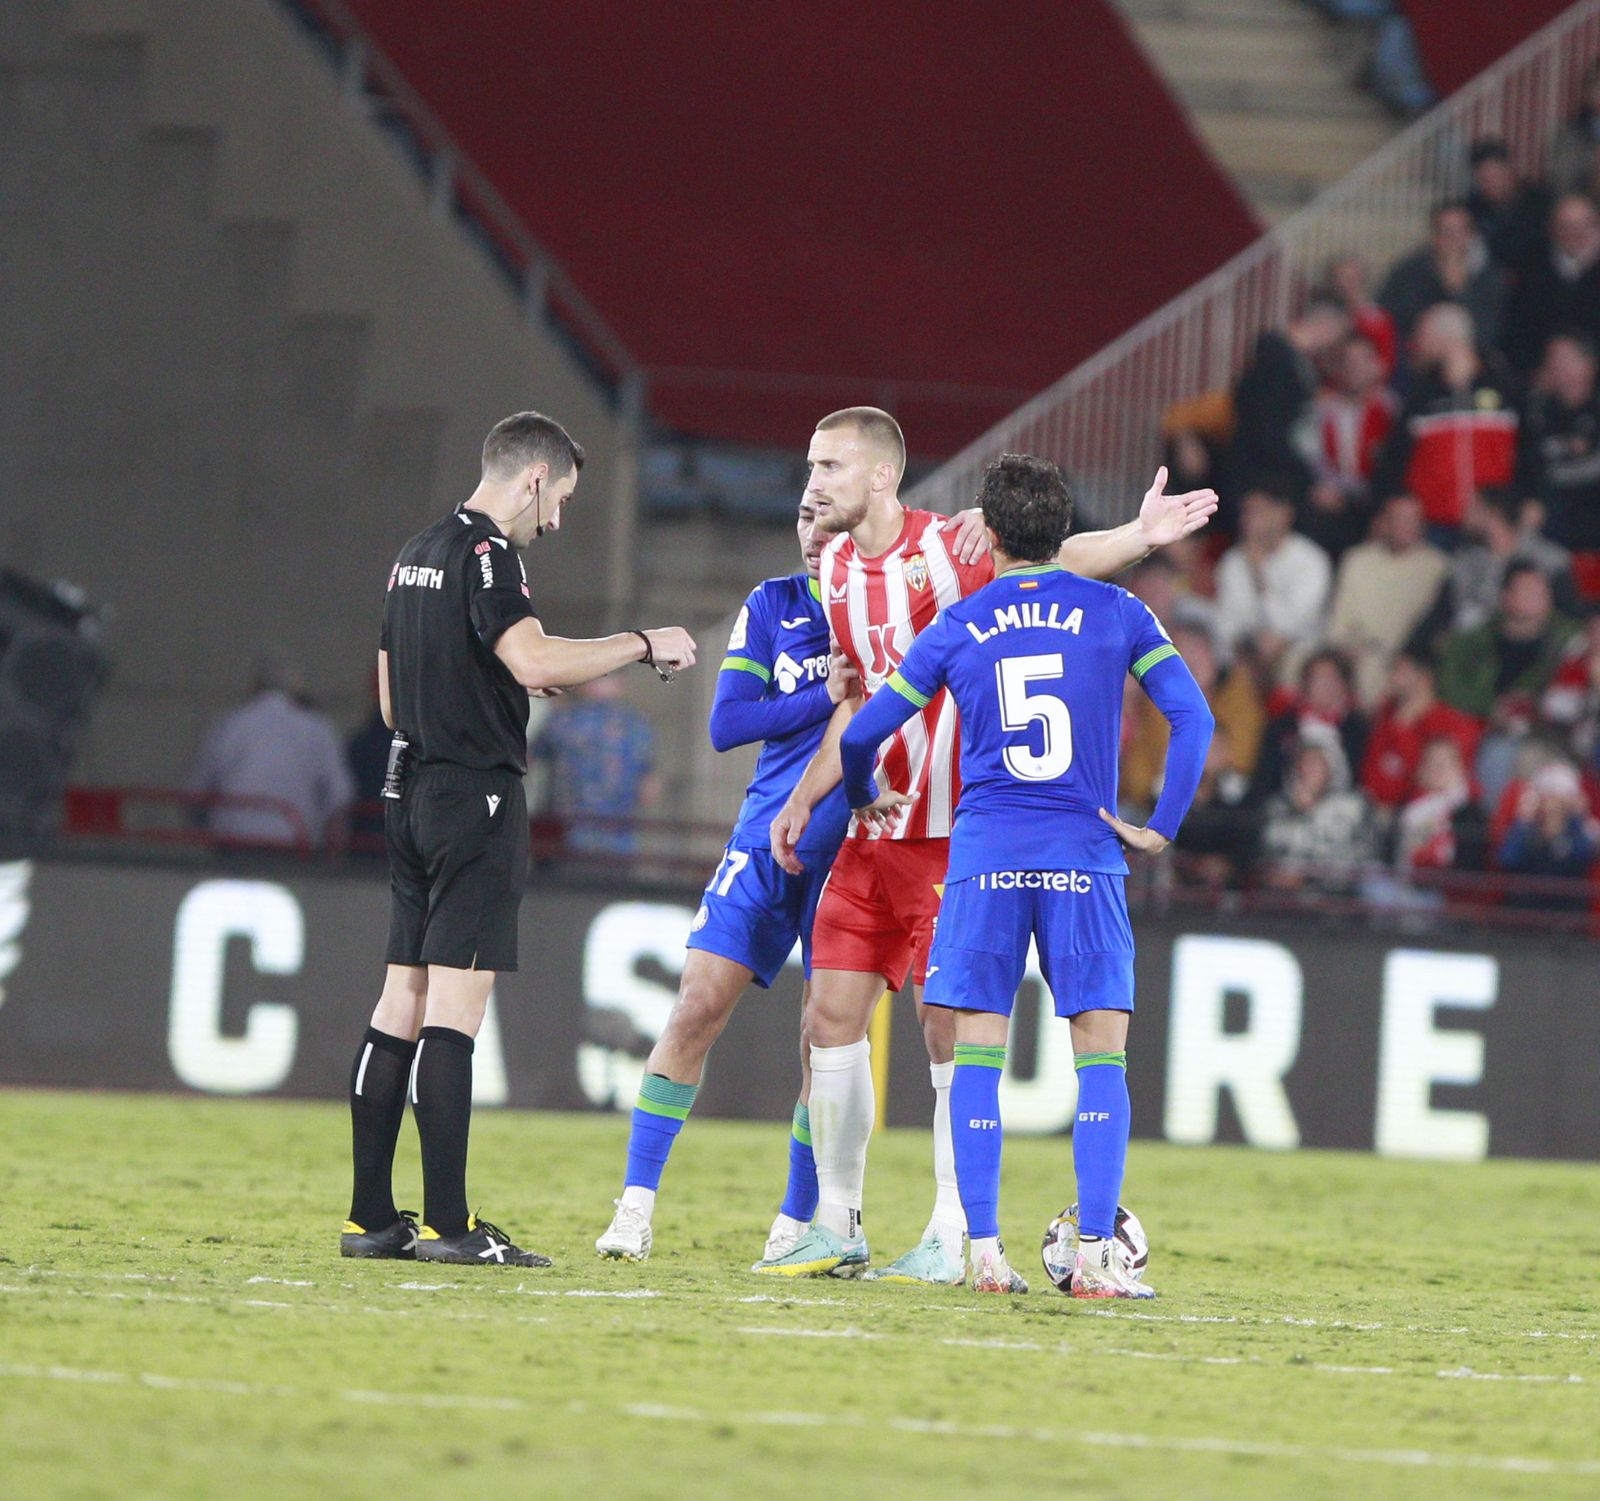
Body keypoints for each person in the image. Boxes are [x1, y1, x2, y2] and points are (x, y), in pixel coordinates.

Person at [754, 407, 1216, 1281]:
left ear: (988, 535)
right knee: (1100, 1057)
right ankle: (1093, 1257)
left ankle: (985, 1253)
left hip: (983, 853)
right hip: (1084, 855)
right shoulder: (1117, 611)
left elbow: (859, 735)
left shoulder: (960, 622)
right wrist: (1162, 824)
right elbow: (1194, 719)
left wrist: (861, 792)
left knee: (974, 1051)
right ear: (1063, 528)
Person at [340, 410, 696, 1267]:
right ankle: (453, 1227)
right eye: (563, 497)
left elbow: (391, 698)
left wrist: (481, 689)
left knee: (401, 1003)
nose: (559, 518)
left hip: (409, 789)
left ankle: (370, 1218)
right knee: (455, 1020)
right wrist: (643, 644)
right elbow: (533, 661)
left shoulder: (414, 552)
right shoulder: (491, 554)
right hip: (476, 801)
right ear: (534, 478)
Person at [592, 490, 917, 1262]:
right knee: (696, 1004)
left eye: (828, 520)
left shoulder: (895, 606)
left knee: (825, 1041)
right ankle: (634, 1209)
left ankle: (798, 1220)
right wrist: (822, 694)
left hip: (856, 845)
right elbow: (726, 722)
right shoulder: (772, 604)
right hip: (765, 835)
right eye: (804, 516)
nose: (812, 533)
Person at [1370, 303, 1518, 540]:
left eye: (1422, 336)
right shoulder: (1420, 394)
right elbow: (1395, 458)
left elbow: (1527, 451)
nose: (1415, 345)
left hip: (1493, 523)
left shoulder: (1503, 387)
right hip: (1432, 524)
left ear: (1444, 339)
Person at [1437, 561, 1579, 803]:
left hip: (1546, 733)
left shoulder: (1567, 639)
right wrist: (1491, 708)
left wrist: (1531, 705)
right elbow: (1449, 685)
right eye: (1527, 591)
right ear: (1506, 596)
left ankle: (1499, 832)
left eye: (1541, 591)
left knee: (1501, 755)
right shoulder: (1475, 639)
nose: (1537, 597)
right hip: (1481, 725)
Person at [188, 652, 354, 849]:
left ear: (252, 686)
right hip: (295, 844)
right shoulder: (316, 728)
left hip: (233, 841)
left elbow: (196, 792)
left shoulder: (229, 724)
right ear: (296, 688)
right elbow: (340, 796)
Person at [1324, 492, 1449, 705]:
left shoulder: (1438, 566)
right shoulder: (1357, 560)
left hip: (1410, 660)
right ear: (1384, 522)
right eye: (1398, 519)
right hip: (1359, 652)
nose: (1404, 526)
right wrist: (1346, 649)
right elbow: (1339, 622)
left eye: (1411, 520)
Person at [1227, 293, 1350, 509]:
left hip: (1277, 473)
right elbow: (1267, 429)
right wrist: (1307, 480)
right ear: (1328, 325)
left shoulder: (1298, 364)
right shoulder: (1276, 362)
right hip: (1265, 480)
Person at [1212, 488, 1332, 680]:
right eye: (1246, 512)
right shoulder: (1233, 561)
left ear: (1284, 515)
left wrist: (1259, 575)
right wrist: (1242, 646)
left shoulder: (1311, 560)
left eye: (1258, 511)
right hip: (1247, 652)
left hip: (1299, 651)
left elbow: (1290, 624)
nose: (1248, 520)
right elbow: (1227, 622)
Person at [533, 675, 660, 855]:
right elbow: (649, 791)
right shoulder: (637, 724)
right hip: (617, 838)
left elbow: (527, 760)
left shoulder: (563, 720)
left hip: (567, 836)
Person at [1377, 199, 1504, 352]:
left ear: (1469, 235)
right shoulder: (1409, 271)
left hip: (1469, 357)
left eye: (1460, 232)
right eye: (1447, 232)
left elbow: (1488, 328)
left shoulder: (1487, 275)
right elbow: (1391, 315)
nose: (1454, 240)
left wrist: (1457, 289)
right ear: (1434, 235)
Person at [1361, 650, 1481, 808]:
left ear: (1424, 678)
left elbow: (1436, 779)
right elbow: (1372, 771)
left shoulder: (1454, 724)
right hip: (1369, 806)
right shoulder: (1387, 712)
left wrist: (1404, 727)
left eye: (1401, 671)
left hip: (1423, 815)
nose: (1393, 678)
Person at [1516, 332, 1600, 551]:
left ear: (1589, 364)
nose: (1556, 367)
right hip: (1556, 533)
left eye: (1564, 359)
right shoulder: (1536, 415)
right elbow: (1528, 470)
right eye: (1551, 359)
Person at [1503, 194, 1600, 376]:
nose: (1575, 233)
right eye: (1566, 225)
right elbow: (1517, 333)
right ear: (1553, 229)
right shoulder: (1533, 271)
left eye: (1583, 224)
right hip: (1542, 379)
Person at [1465, 136, 1550, 273]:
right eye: (1482, 179)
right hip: (1491, 281)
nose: (1489, 184)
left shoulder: (1540, 201)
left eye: (1494, 176)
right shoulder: (1473, 208)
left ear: (1509, 171)